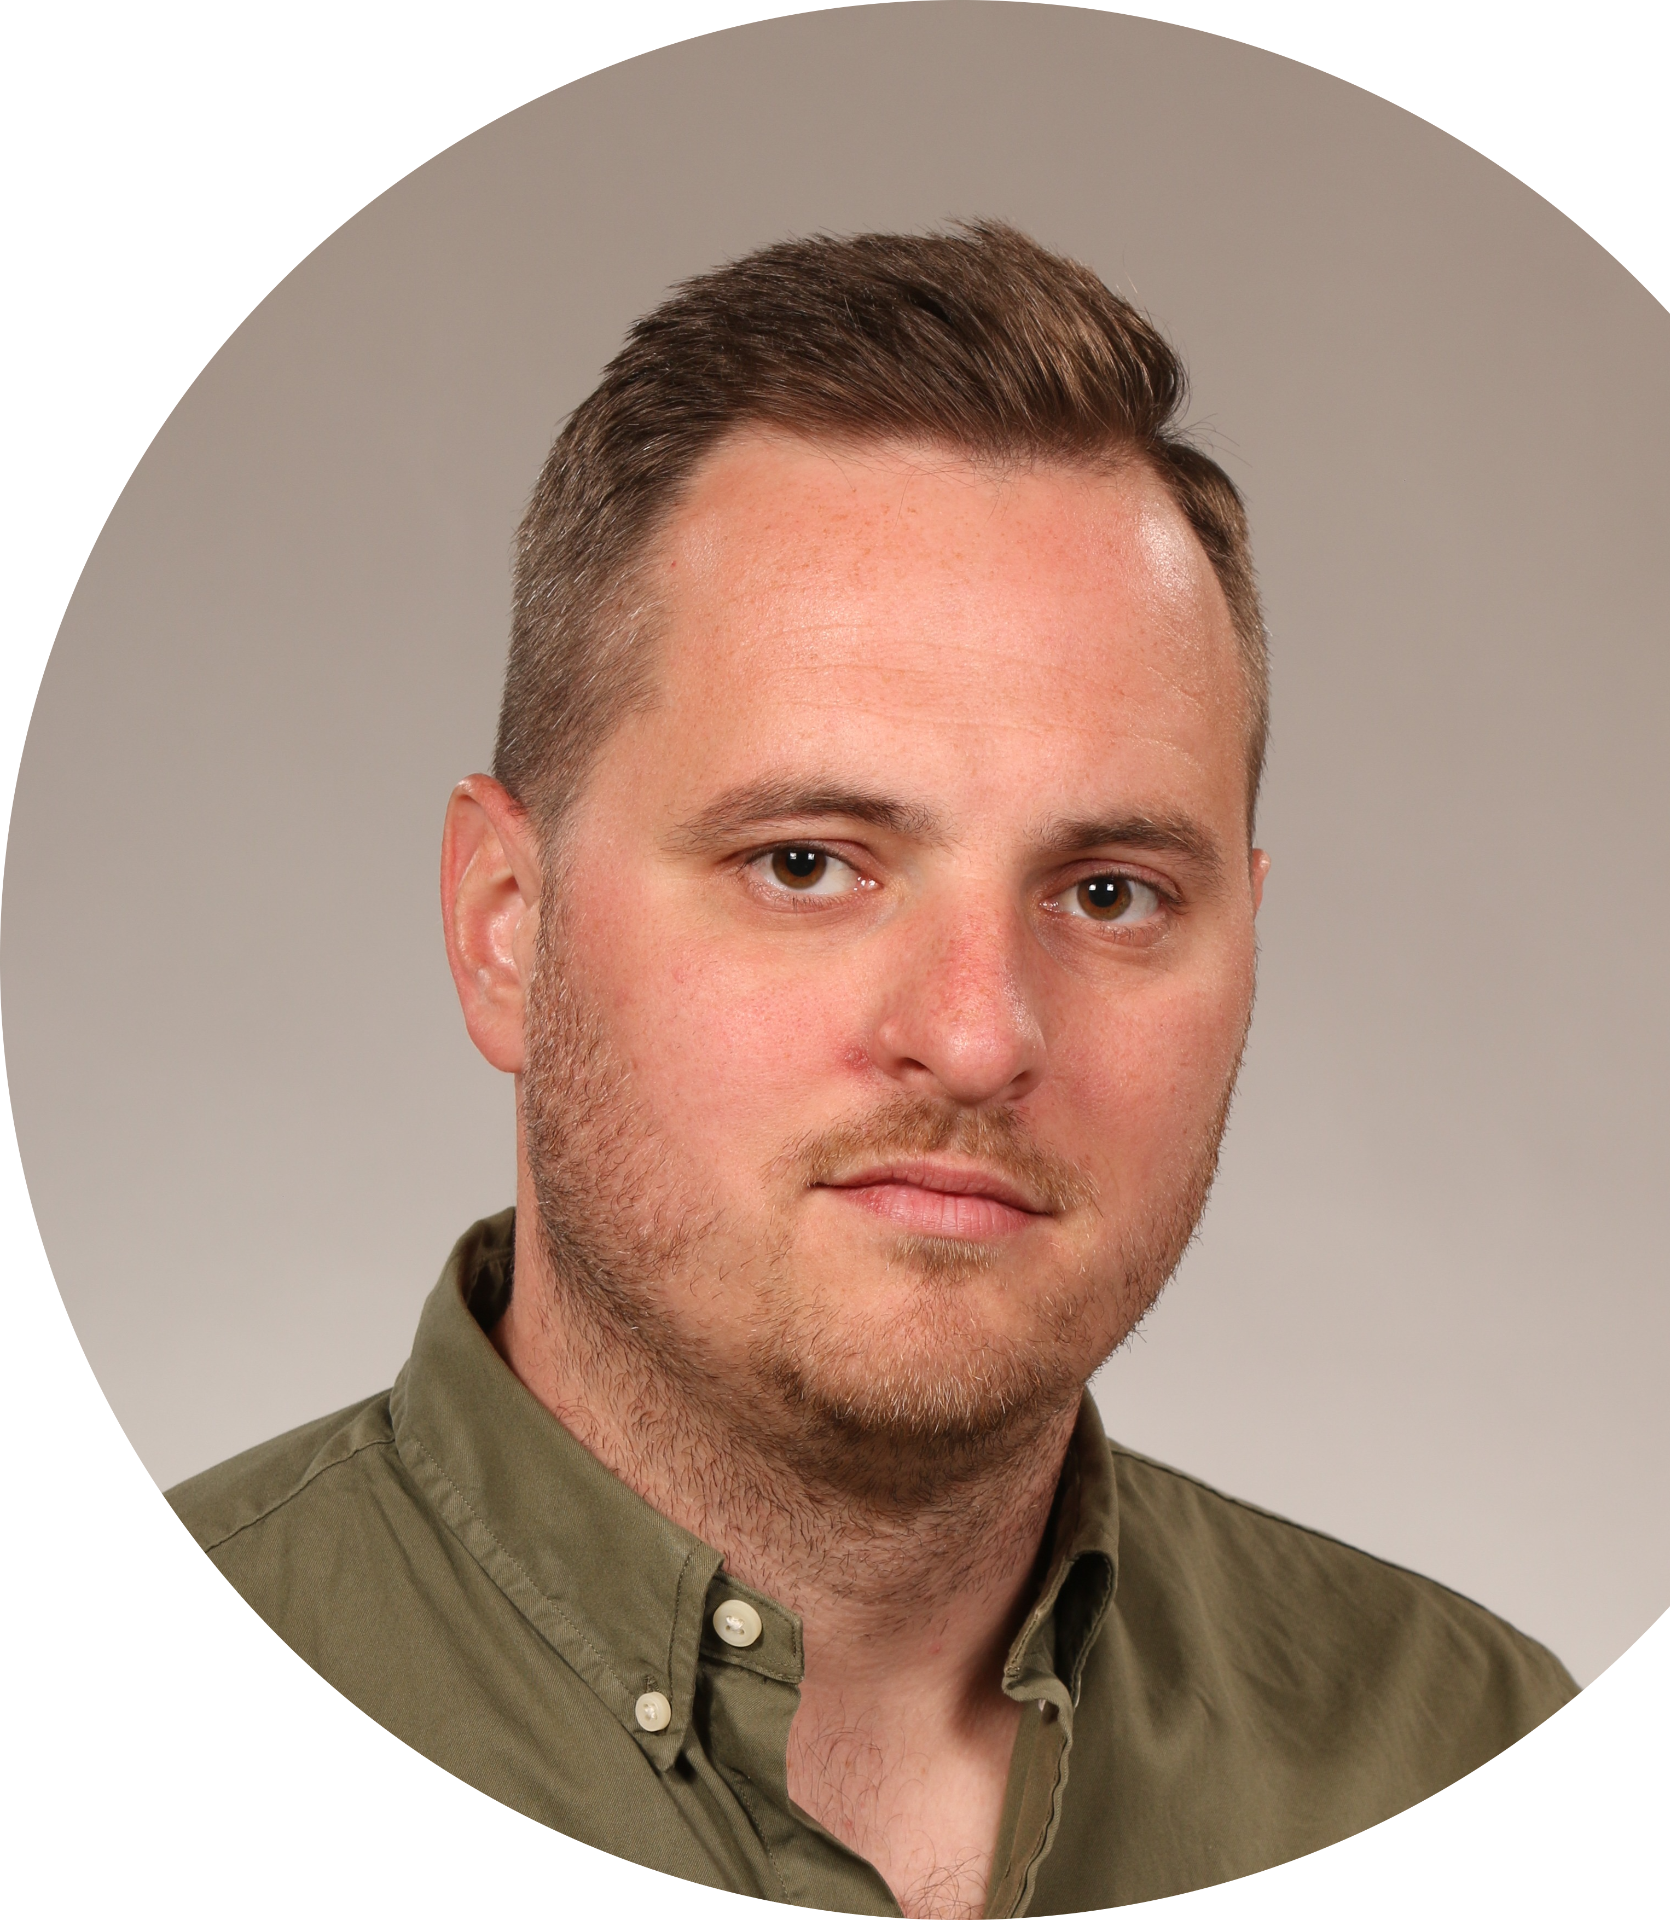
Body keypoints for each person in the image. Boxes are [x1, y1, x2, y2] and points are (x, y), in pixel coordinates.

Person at [168, 222, 1576, 1915]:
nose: (979, 1036)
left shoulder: (1457, 1741)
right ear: (504, 930)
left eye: (1110, 894)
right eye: (807, 864)